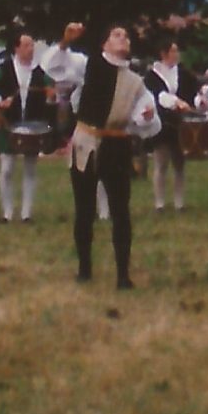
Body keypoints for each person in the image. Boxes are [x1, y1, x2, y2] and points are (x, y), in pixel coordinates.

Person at [60, 22, 161, 287]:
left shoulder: (135, 81)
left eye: (126, 35)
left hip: (117, 146)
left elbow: (147, 118)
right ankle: (84, 269)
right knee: (84, 210)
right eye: (117, 34)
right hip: (86, 144)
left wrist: (146, 116)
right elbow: (56, 67)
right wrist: (64, 41)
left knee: (120, 211)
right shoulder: (88, 66)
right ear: (104, 44)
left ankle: (123, 276)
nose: (124, 38)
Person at [0, 30, 55, 223]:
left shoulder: (39, 72)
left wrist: (52, 97)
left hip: (33, 125)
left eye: (32, 45)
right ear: (16, 48)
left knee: (30, 169)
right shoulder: (3, 70)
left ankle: (26, 214)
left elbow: (52, 95)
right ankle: (7, 213)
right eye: (27, 45)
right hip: (8, 124)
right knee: (7, 169)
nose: (31, 49)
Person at [140, 37, 196, 214]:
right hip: (162, 123)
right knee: (161, 162)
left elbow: (194, 92)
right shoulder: (152, 75)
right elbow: (158, 96)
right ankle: (160, 203)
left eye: (176, 51)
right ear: (164, 54)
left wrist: (196, 102)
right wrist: (176, 101)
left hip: (180, 124)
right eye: (173, 51)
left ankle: (179, 203)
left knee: (179, 163)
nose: (176, 54)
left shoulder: (184, 74)